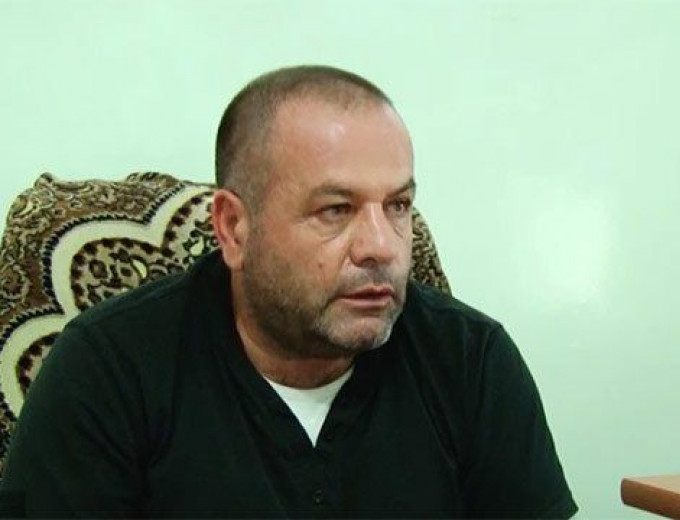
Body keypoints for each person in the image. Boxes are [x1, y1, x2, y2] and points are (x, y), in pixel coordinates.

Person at [0, 65, 577, 518]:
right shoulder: (107, 370)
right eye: (335, 209)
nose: (381, 246)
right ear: (233, 228)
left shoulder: (471, 361)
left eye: (398, 205)